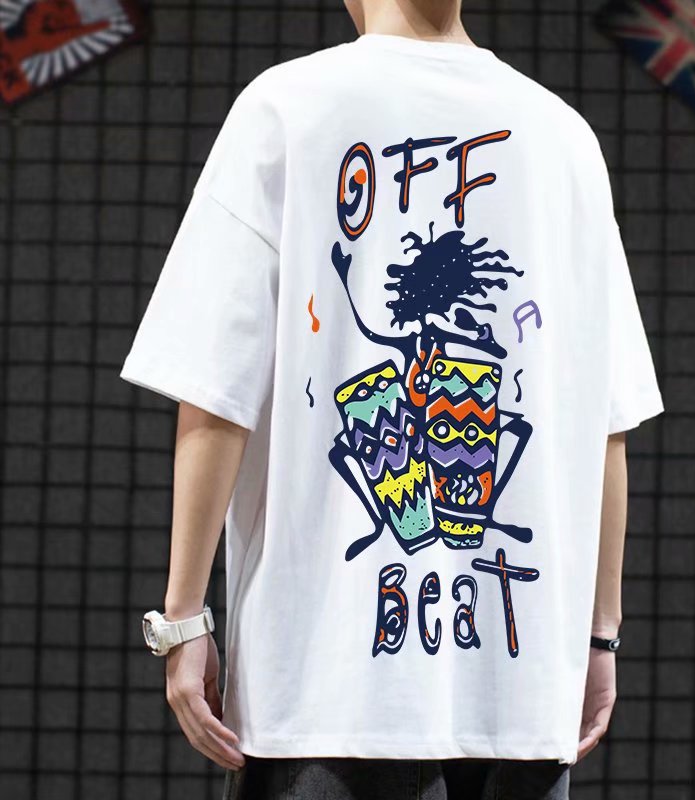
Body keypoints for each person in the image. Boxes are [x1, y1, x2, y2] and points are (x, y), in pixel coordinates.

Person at [120, 1, 665, 798]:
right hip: (518, 692)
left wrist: (182, 619)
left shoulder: (285, 108)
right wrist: (598, 635)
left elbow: (215, 393)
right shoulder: (566, 139)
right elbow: (607, 428)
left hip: (325, 688)